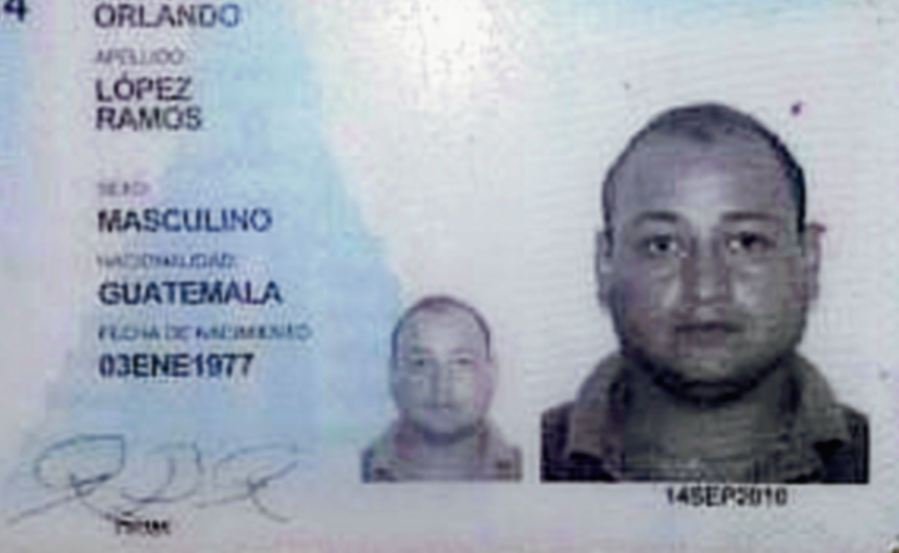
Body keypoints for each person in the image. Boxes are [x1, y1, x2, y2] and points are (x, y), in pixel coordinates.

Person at [542, 103, 868, 483]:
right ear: (604, 264)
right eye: (663, 245)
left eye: (746, 242)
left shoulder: (883, 467)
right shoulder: (531, 465)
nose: (706, 288)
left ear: (809, 260)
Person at [363, 295, 521, 482]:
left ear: (492, 372)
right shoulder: (346, 471)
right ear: (393, 372)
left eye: (462, 362)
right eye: (421, 363)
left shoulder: (533, 468)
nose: (441, 385)